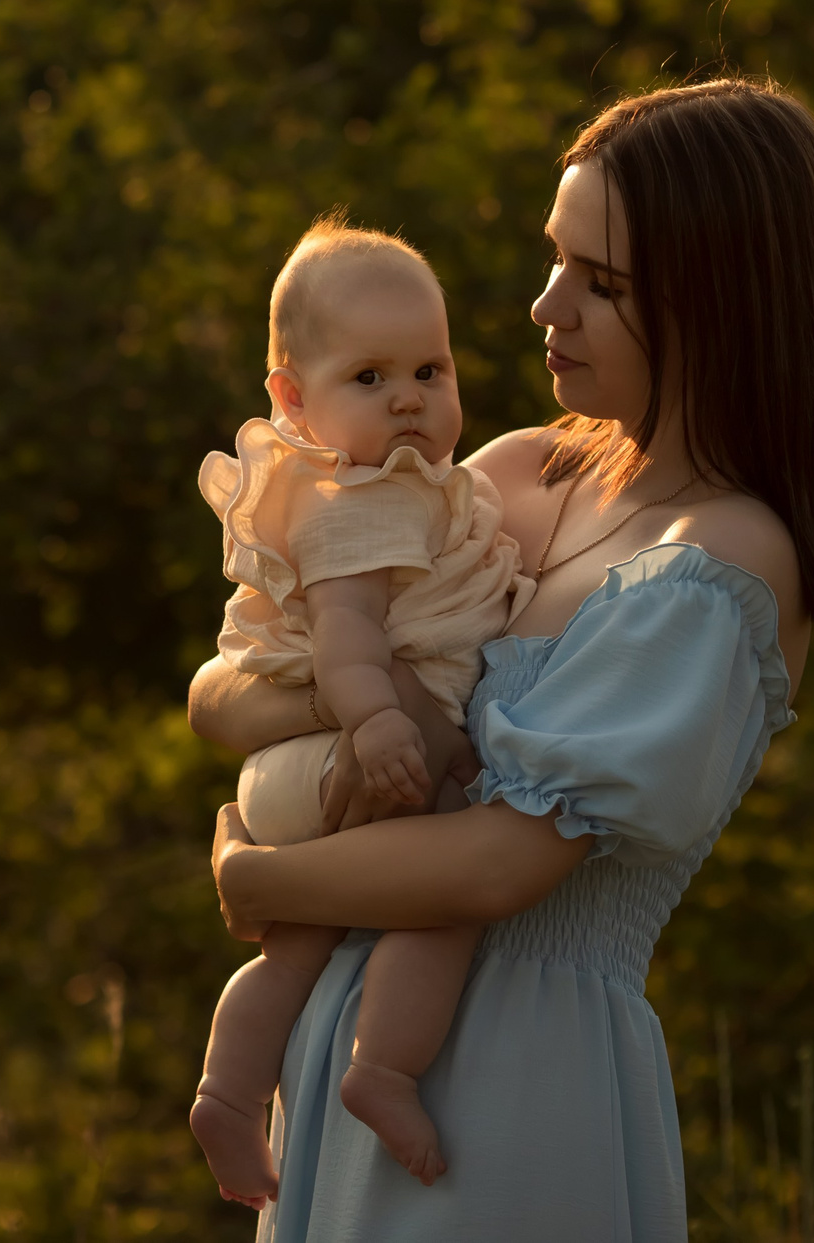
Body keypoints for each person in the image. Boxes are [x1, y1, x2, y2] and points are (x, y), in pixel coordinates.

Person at [193, 78, 814, 1240]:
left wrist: (260, 880)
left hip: (509, 1084)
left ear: (719, 304)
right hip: (338, 1043)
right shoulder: (515, 476)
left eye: (602, 283)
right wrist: (280, 712)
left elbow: (499, 867)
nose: (545, 306)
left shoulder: (718, 565)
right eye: (554, 260)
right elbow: (241, 679)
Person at [187, 219, 531, 1206]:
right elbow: (346, 636)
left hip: (307, 772)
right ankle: (383, 1066)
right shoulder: (359, 502)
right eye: (370, 379)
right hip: (358, 744)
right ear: (293, 401)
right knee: (447, 880)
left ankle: (226, 1088)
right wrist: (382, 725)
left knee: (298, 940)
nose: (410, 400)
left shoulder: (411, 488)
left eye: (430, 370)